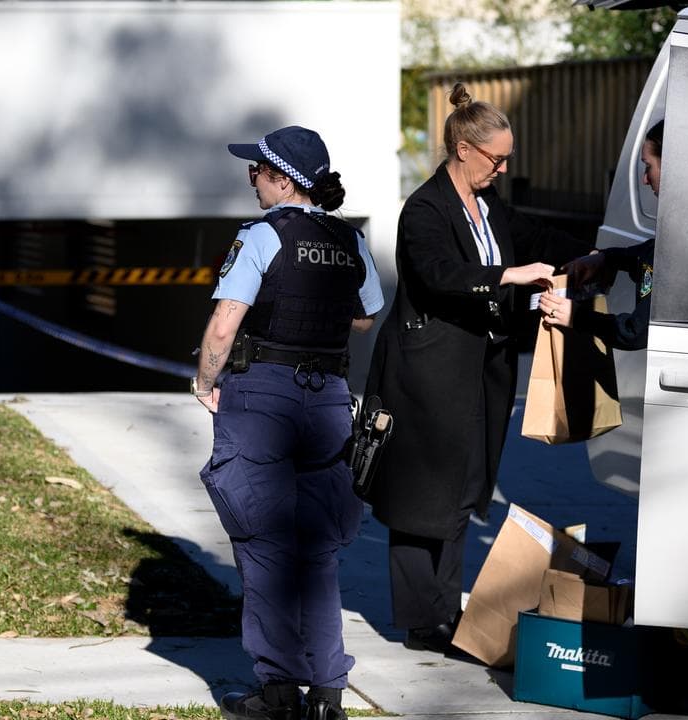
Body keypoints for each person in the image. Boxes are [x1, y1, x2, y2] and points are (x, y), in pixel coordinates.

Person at [363, 82, 593, 653]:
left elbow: (538, 235)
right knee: (423, 495)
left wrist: (594, 254)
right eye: (498, 157)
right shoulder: (424, 209)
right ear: (463, 149)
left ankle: (445, 607)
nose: (504, 167)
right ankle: (425, 619)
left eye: (508, 157)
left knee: (467, 488)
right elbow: (438, 272)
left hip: (482, 368)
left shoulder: (490, 206)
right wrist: (507, 277)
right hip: (428, 371)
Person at [193, 125, 383, 720]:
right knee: (319, 551)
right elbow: (366, 315)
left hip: (262, 401)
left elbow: (226, 323)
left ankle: (277, 692)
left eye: (258, 170)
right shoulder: (348, 241)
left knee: (266, 546)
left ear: (282, 178)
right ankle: (327, 692)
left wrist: (205, 383)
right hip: (328, 401)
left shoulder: (260, 237)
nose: (251, 179)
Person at [540, 121, 688, 341]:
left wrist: (575, 316)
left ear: (672, 167)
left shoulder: (681, 236)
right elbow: (667, 253)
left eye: (648, 167)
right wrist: (608, 258)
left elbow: (636, 330)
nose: (645, 179)